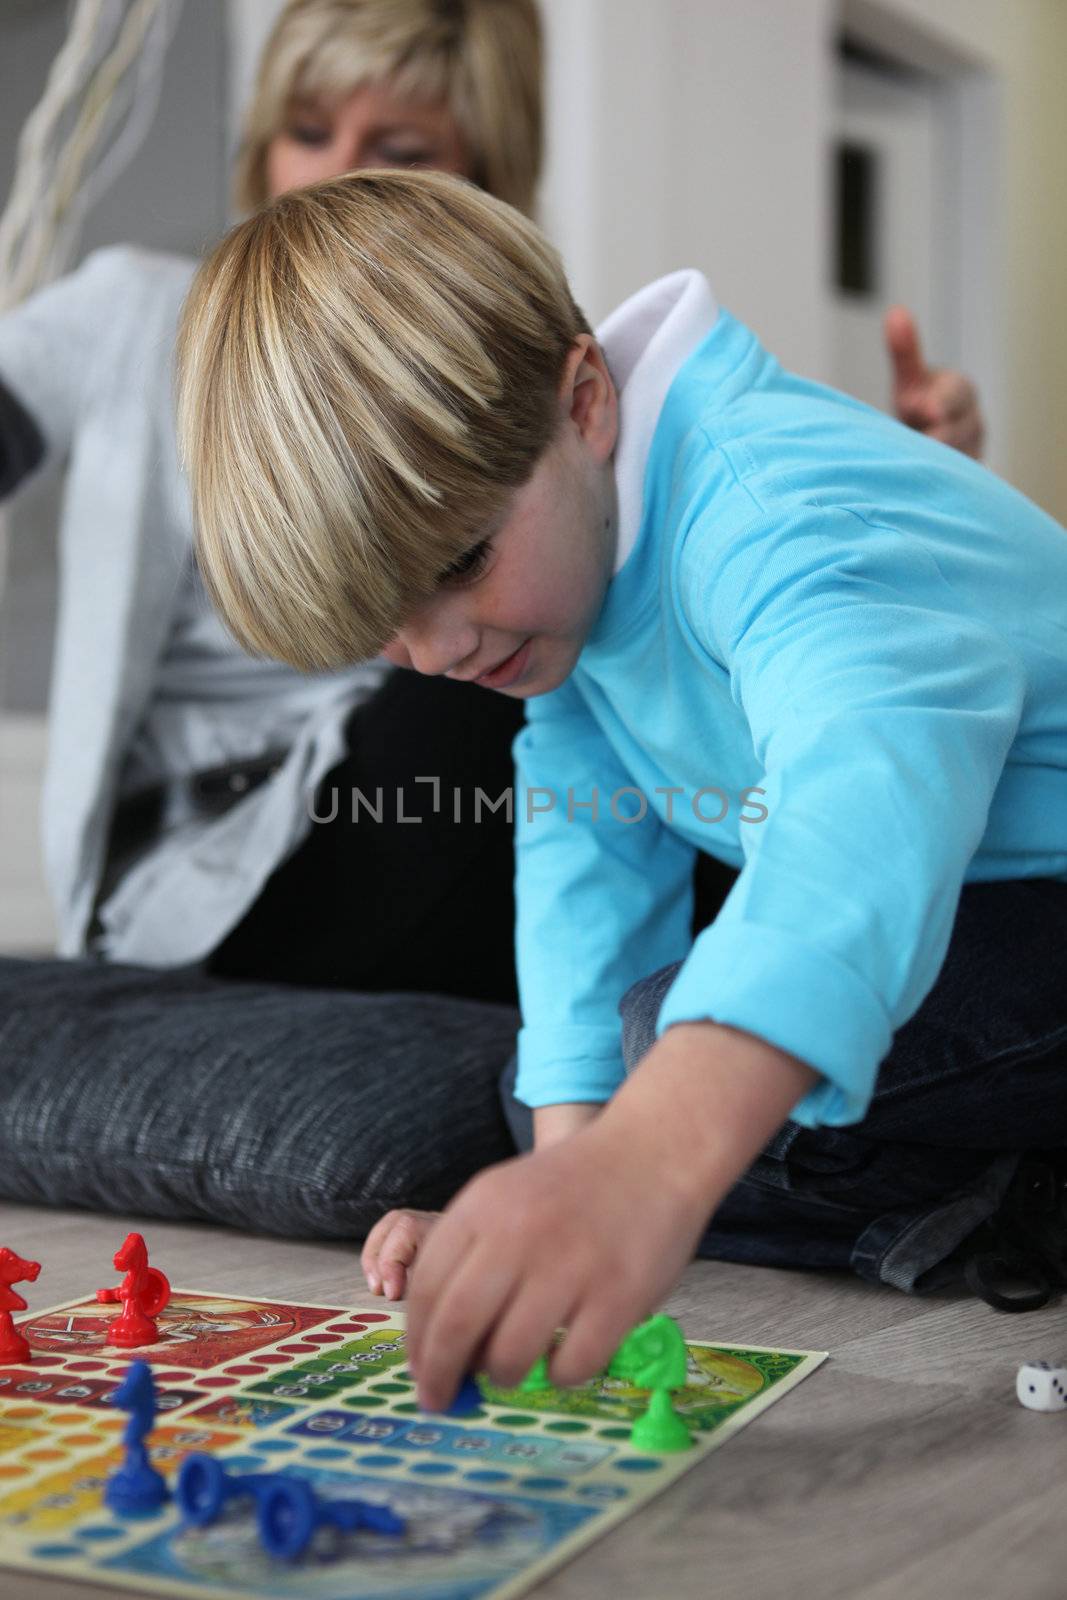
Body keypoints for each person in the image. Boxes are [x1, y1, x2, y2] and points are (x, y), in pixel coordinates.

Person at [174, 170, 1067, 1412]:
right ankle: (994, 1193)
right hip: (985, 936)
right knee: (562, 1082)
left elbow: (864, 811)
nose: (439, 653)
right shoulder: (576, 574)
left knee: (671, 1061)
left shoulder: (771, 508)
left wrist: (647, 1165)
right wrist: (563, 1188)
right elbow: (583, 862)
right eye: (386, 629)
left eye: (459, 562)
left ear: (583, 400)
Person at [0, 0, 982, 1006]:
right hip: (232, 862)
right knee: (546, 662)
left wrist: (865, 494)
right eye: (307, 131)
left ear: (477, 186)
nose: (336, 172)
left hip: (456, 820)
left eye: (399, 149)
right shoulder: (130, 315)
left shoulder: (532, 391)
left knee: (603, 619)